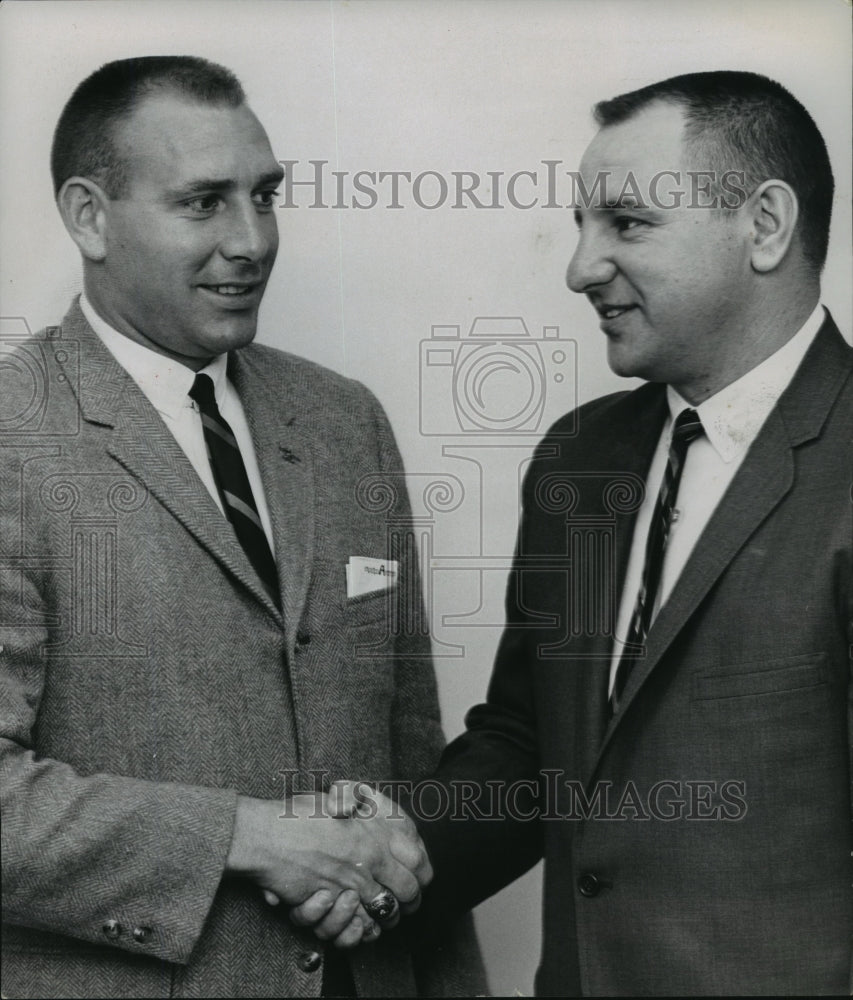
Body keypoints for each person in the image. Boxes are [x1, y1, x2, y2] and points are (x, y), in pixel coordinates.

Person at [295, 69, 852, 995]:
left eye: (626, 223)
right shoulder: (580, 458)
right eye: (581, 224)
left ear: (764, 226)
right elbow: (529, 748)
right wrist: (379, 855)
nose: (579, 266)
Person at [0, 55, 484, 999]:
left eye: (265, 195)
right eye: (203, 202)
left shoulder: (347, 422)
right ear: (89, 216)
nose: (252, 238)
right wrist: (254, 838)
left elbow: (408, 755)